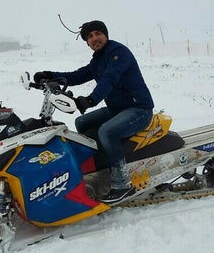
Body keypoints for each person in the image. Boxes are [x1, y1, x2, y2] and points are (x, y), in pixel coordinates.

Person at [34, 20, 154, 204]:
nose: (95, 38)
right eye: (90, 36)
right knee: (82, 122)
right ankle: (99, 165)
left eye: (98, 33)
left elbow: (110, 78)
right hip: (117, 109)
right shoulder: (97, 60)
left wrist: (91, 100)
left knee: (107, 131)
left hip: (139, 109)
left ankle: (122, 184)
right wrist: (49, 75)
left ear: (106, 35)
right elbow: (78, 75)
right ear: (87, 42)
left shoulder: (118, 52)